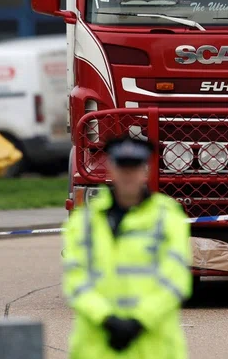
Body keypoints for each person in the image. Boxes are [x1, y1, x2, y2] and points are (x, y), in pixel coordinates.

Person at [61, 137, 192, 358]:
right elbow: (76, 280)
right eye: (122, 166)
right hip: (97, 349)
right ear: (111, 169)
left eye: (135, 167)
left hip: (152, 349)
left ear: (145, 171)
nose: (128, 174)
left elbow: (176, 280)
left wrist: (140, 320)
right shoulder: (84, 222)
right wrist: (106, 319)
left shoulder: (167, 218)